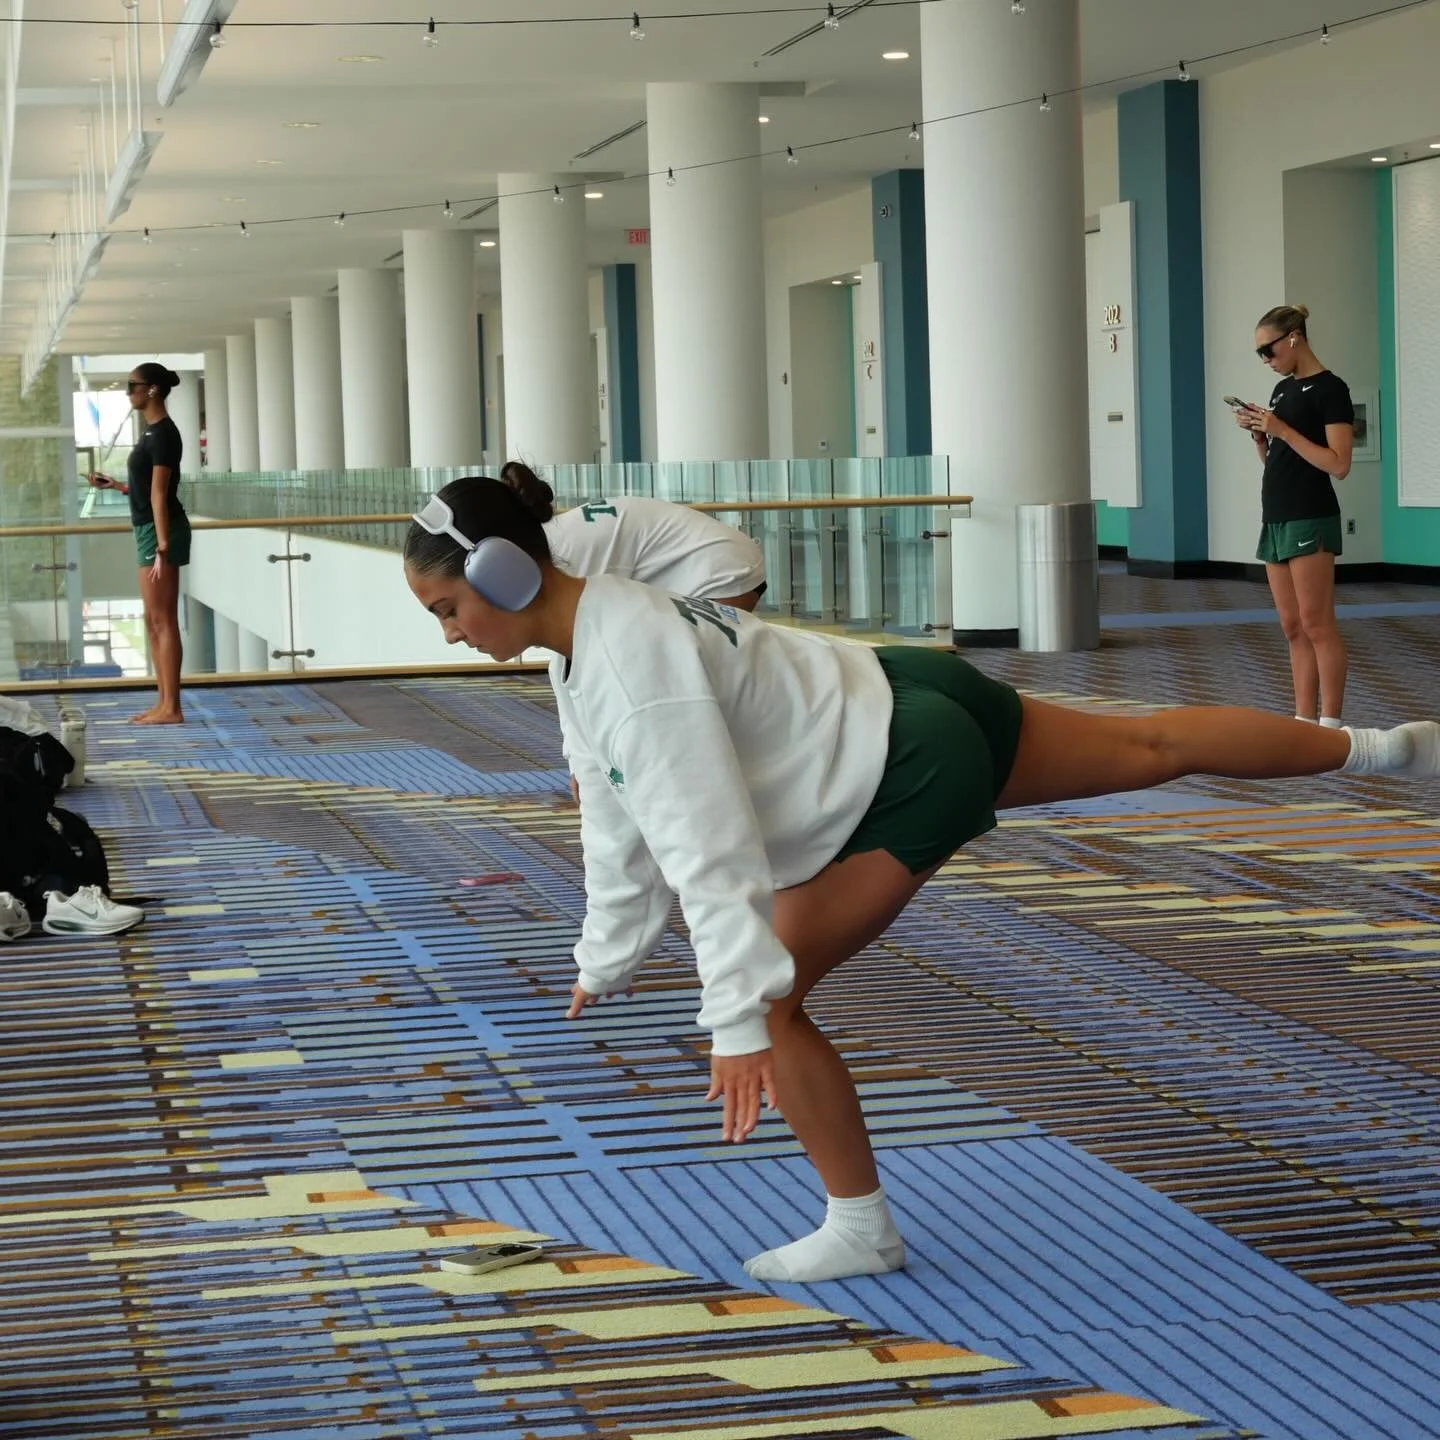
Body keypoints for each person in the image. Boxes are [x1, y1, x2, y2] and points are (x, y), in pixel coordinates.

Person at [403, 478, 1438, 1286]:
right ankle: (1378, 748)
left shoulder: (625, 669)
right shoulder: (597, 633)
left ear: (505, 574)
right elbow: (615, 814)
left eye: (449, 607)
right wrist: (609, 952)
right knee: (1152, 743)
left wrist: (736, 1019)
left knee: (773, 997)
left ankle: (861, 1227)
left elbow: (705, 843)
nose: (449, 631)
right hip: (904, 686)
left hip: (902, 769)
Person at [498, 462, 766, 802]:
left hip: (721, 570)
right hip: (717, 559)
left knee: (682, 686)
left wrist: (581, 766)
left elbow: (572, 666)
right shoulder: (554, 540)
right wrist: (582, 763)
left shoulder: (559, 555)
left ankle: (711, 787)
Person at [1235, 304, 1354, 727]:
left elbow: (1339, 464)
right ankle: (1303, 721)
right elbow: (1280, 463)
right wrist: (1262, 440)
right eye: (1259, 354)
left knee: (1316, 623)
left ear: (1294, 337)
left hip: (1310, 515)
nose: (1265, 360)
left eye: (1267, 350)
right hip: (1277, 516)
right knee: (1292, 626)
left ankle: (1331, 724)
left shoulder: (1331, 389)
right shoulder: (1282, 391)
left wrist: (1283, 430)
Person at [88, 363, 191, 724]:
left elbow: (160, 494)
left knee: (163, 619)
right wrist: (118, 486)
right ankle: (163, 703)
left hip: (160, 531)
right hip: (149, 528)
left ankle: (172, 708)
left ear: (153, 390)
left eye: (133, 385)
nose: (128, 391)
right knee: (152, 620)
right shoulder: (150, 432)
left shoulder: (164, 434)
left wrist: (162, 546)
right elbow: (147, 489)